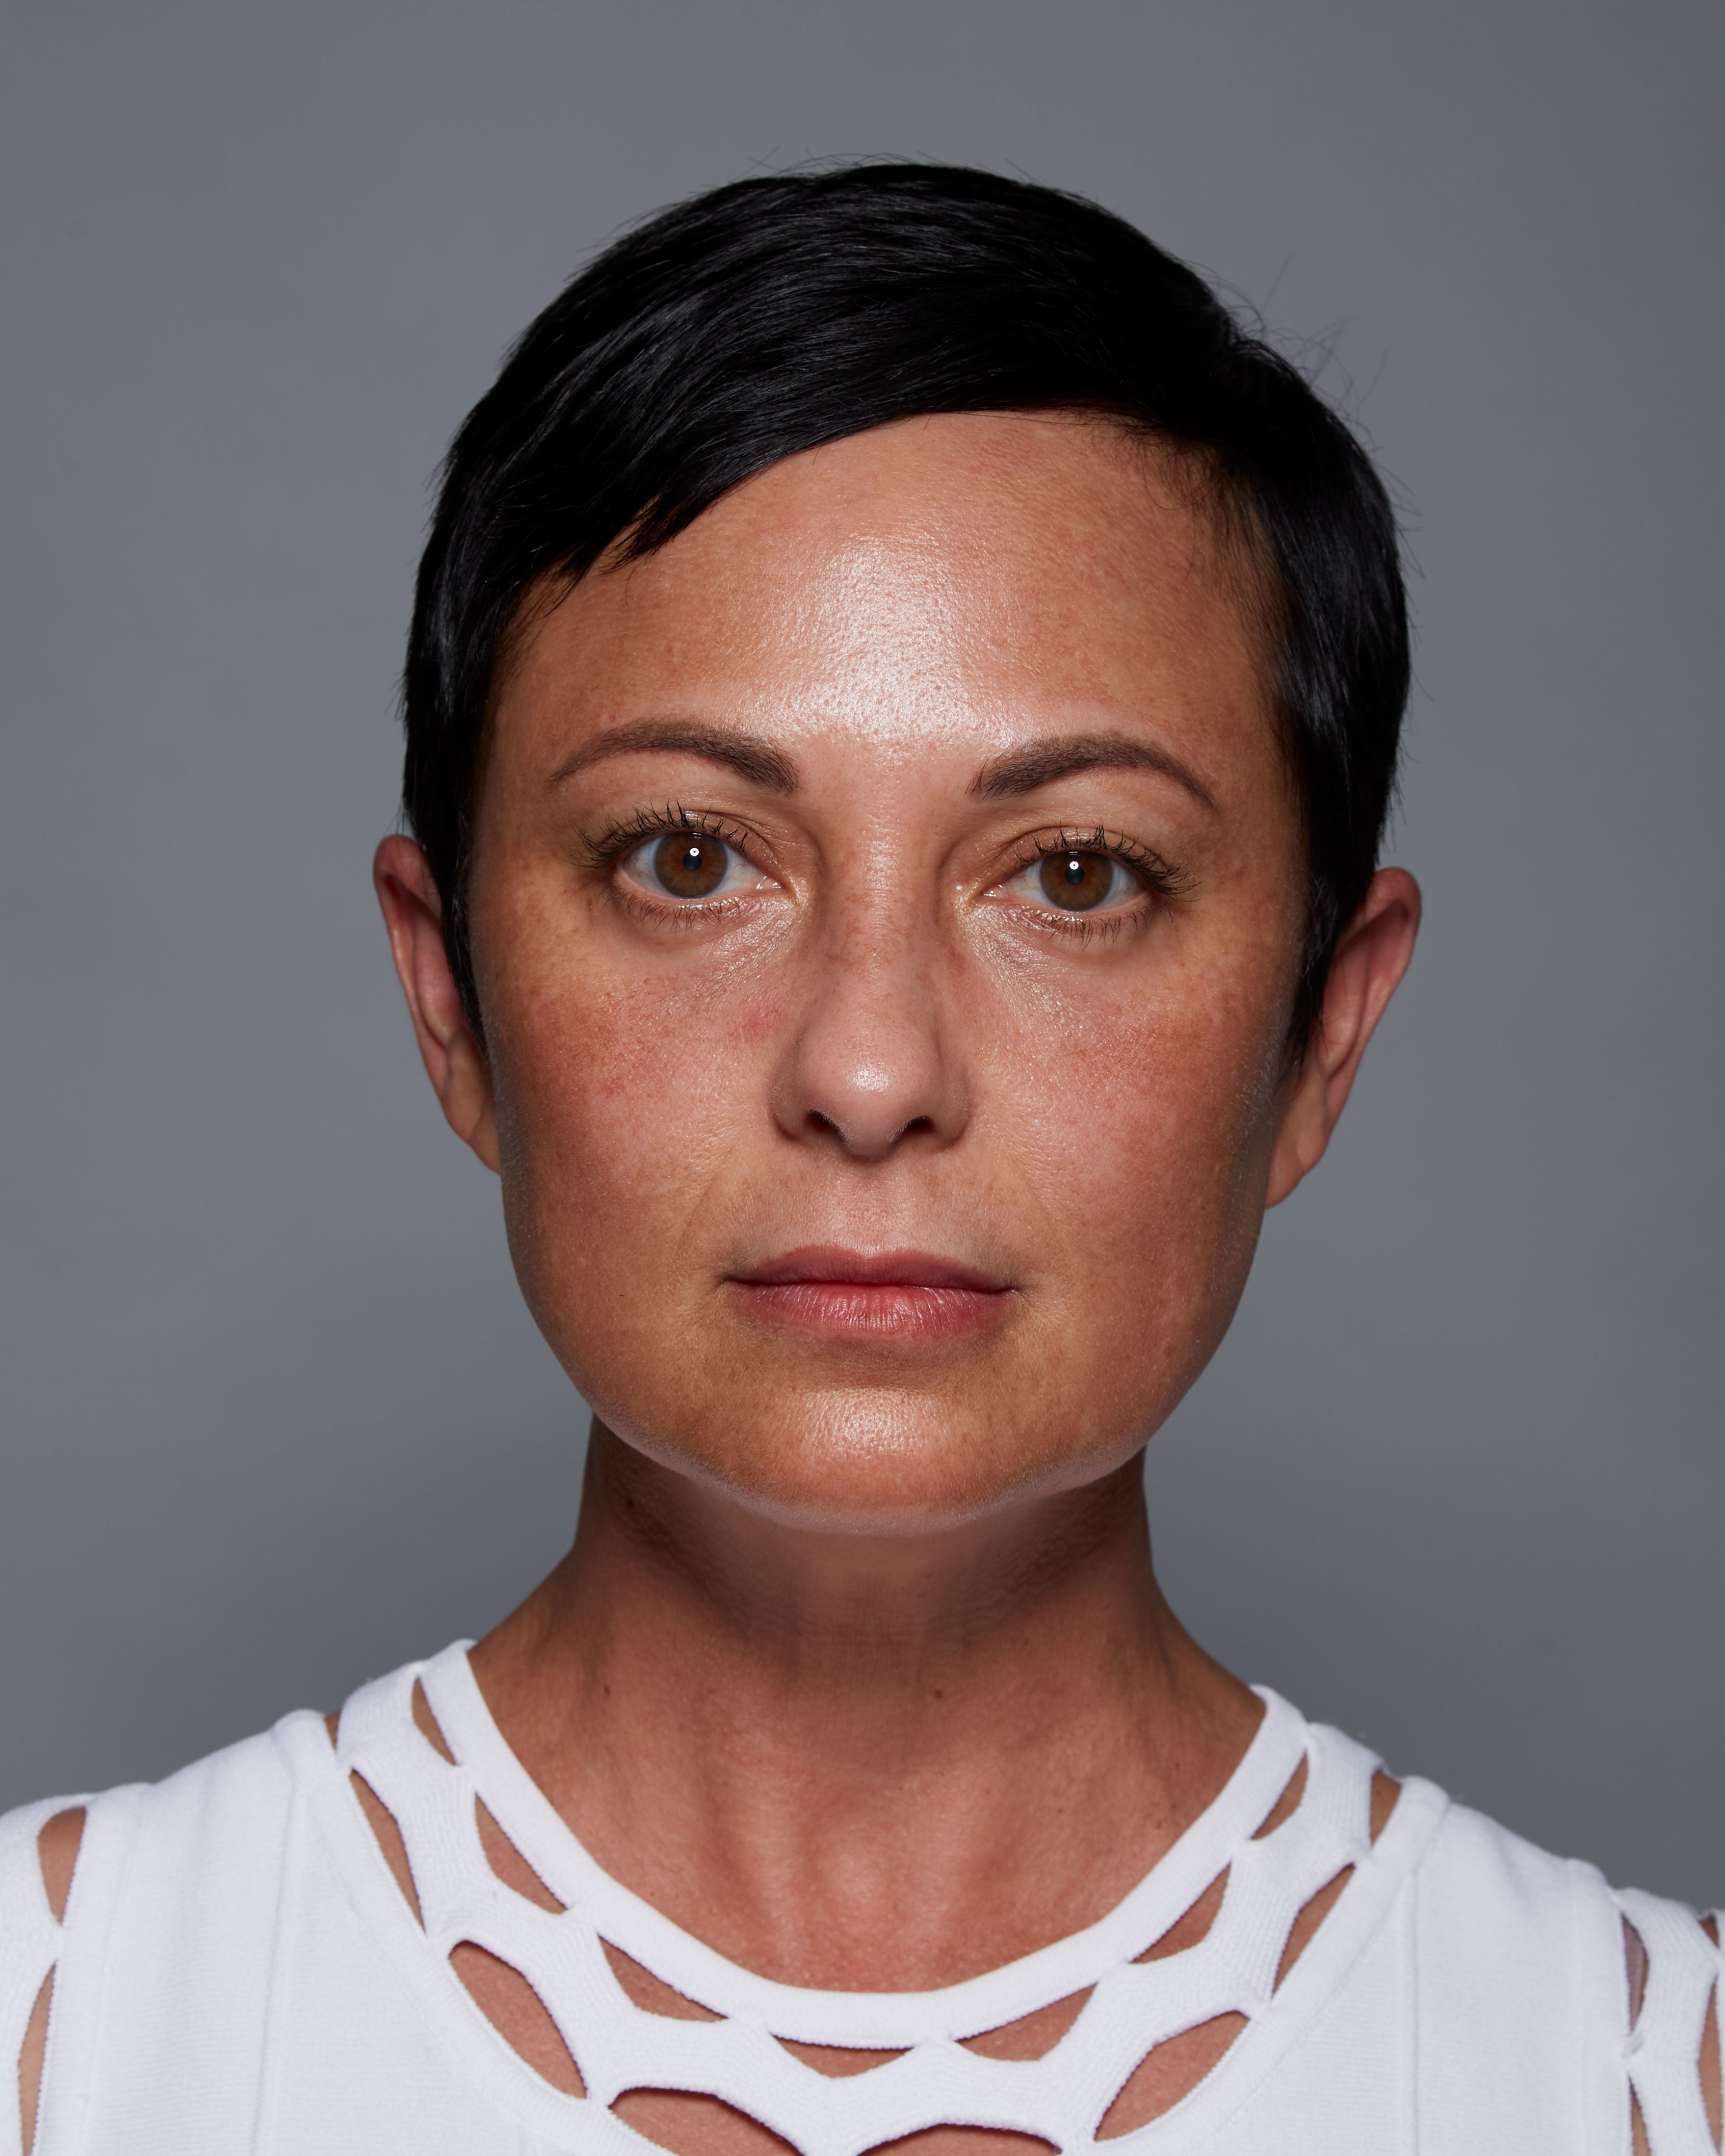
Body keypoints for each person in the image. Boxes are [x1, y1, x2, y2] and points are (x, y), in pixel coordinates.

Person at [1, 162, 1717, 2156]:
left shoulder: (1647, 2082)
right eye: (690, 858)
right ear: (448, 995)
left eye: (1076, 875)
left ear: (1325, 1030)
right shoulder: (56, 2028)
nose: (873, 1069)